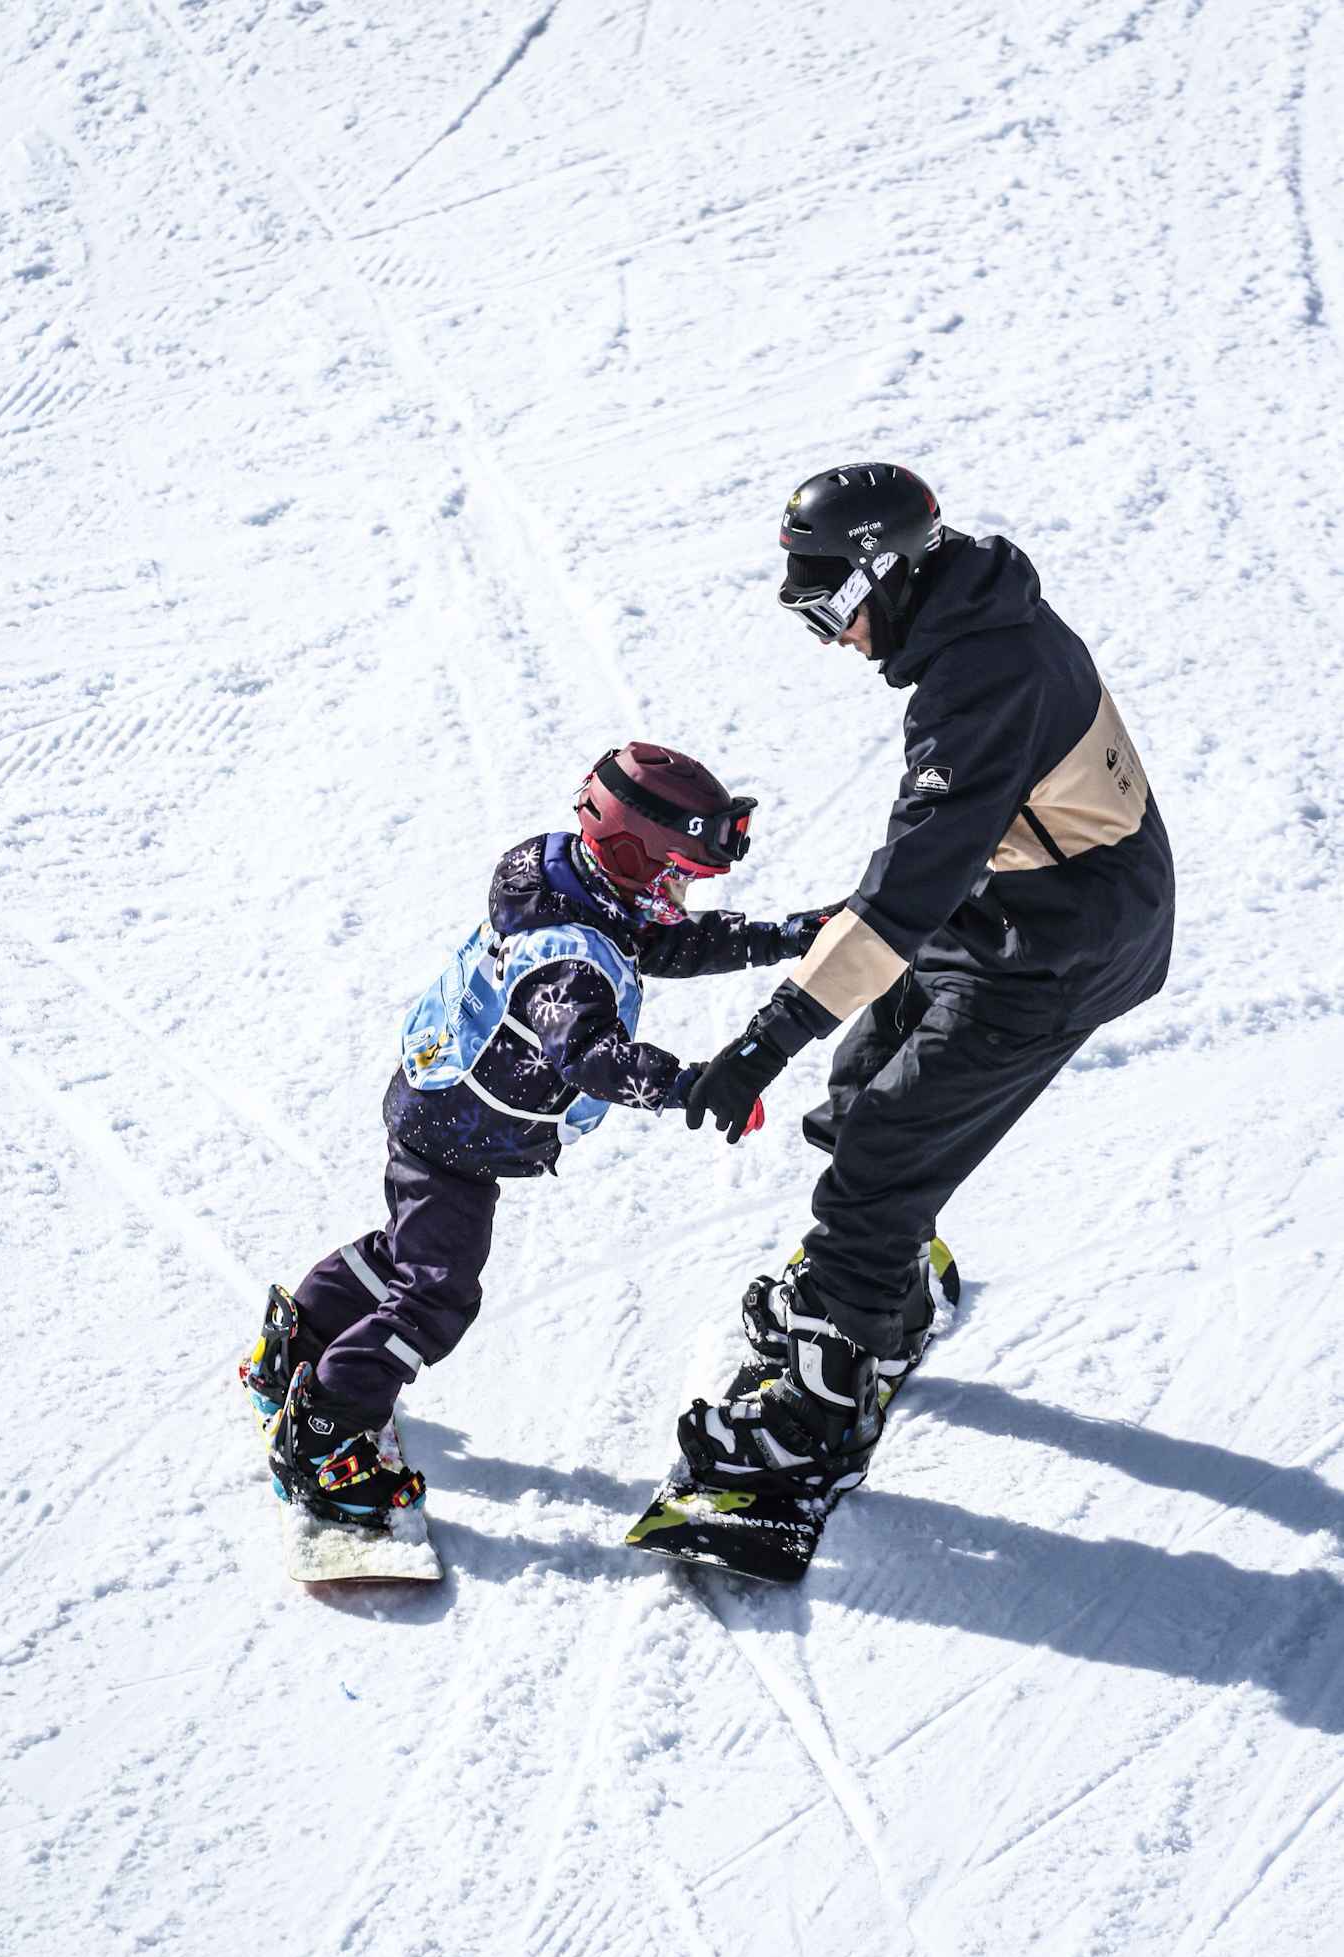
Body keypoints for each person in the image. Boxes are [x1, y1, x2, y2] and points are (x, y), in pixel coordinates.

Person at [678, 461, 1176, 1503]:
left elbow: (903, 891)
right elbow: (925, 874)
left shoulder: (982, 685)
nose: (830, 635)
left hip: (1060, 944)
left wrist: (765, 1037)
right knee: (861, 1092)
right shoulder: (974, 626)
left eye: (828, 606)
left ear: (886, 573)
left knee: (884, 1148)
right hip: (1011, 899)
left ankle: (825, 1406)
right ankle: (882, 1296)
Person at [240, 742, 840, 1526]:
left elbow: (664, 945)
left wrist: (789, 936)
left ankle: (301, 1340)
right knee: (437, 1296)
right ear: (631, 852)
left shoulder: (563, 879)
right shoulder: (564, 962)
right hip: (460, 1133)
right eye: (677, 876)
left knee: (412, 1250)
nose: (682, 895)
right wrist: (689, 1085)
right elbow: (589, 1056)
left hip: (444, 1109)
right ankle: (323, 1434)